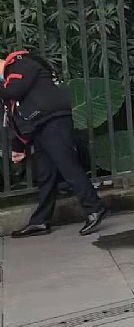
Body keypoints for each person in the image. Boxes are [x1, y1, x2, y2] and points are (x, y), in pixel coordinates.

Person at [1, 50, 107, 237]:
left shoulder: (21, 63)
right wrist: (18, 147)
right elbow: (13, 116)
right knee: (46, 174)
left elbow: (13, 91)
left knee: (67, 165)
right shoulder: (10, 78)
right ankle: (40, 222)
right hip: (40, 124)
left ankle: (94, 207)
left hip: (53, 121)